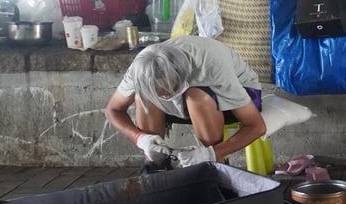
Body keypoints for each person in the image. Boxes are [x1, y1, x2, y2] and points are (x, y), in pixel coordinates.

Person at [105, 35, 266, 173]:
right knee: (144, 98)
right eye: (162, 94)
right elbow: (113, 110)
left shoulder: (210, 65)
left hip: (239, 96)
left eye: (171, 90)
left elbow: (256, 126)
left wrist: (211, 153)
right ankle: (155, 163)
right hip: (184, 100)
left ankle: (216, 163)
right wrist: (140, 139)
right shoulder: (140, 70)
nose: (166, 96)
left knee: (197, 96)